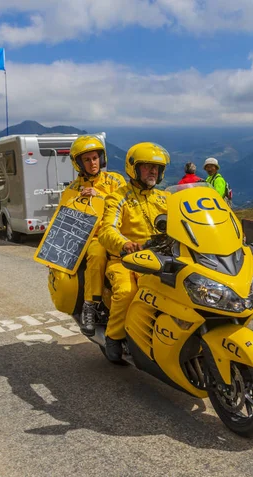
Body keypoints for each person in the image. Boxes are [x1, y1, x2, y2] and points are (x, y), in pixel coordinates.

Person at [98, 142, 170, 362]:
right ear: (133, 169)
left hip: (161, 259)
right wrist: (124, 243)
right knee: (127, 292)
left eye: (156, 168)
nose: (153, 171)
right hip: (125, 261)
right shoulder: (118, 197)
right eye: (147, 166)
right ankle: (113, 337)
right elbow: (107, 229)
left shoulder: (165, 198)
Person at [62, 135, 125, 335]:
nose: (92, 163)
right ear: (79, 163)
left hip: (119, 233)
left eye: (95, 158)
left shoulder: (115, 180)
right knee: (97, 254)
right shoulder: (72, 190)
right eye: (87, 160)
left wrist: (100, 196)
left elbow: (127, 203)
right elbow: (62, 223)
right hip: (94, 238)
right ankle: (90, 305)